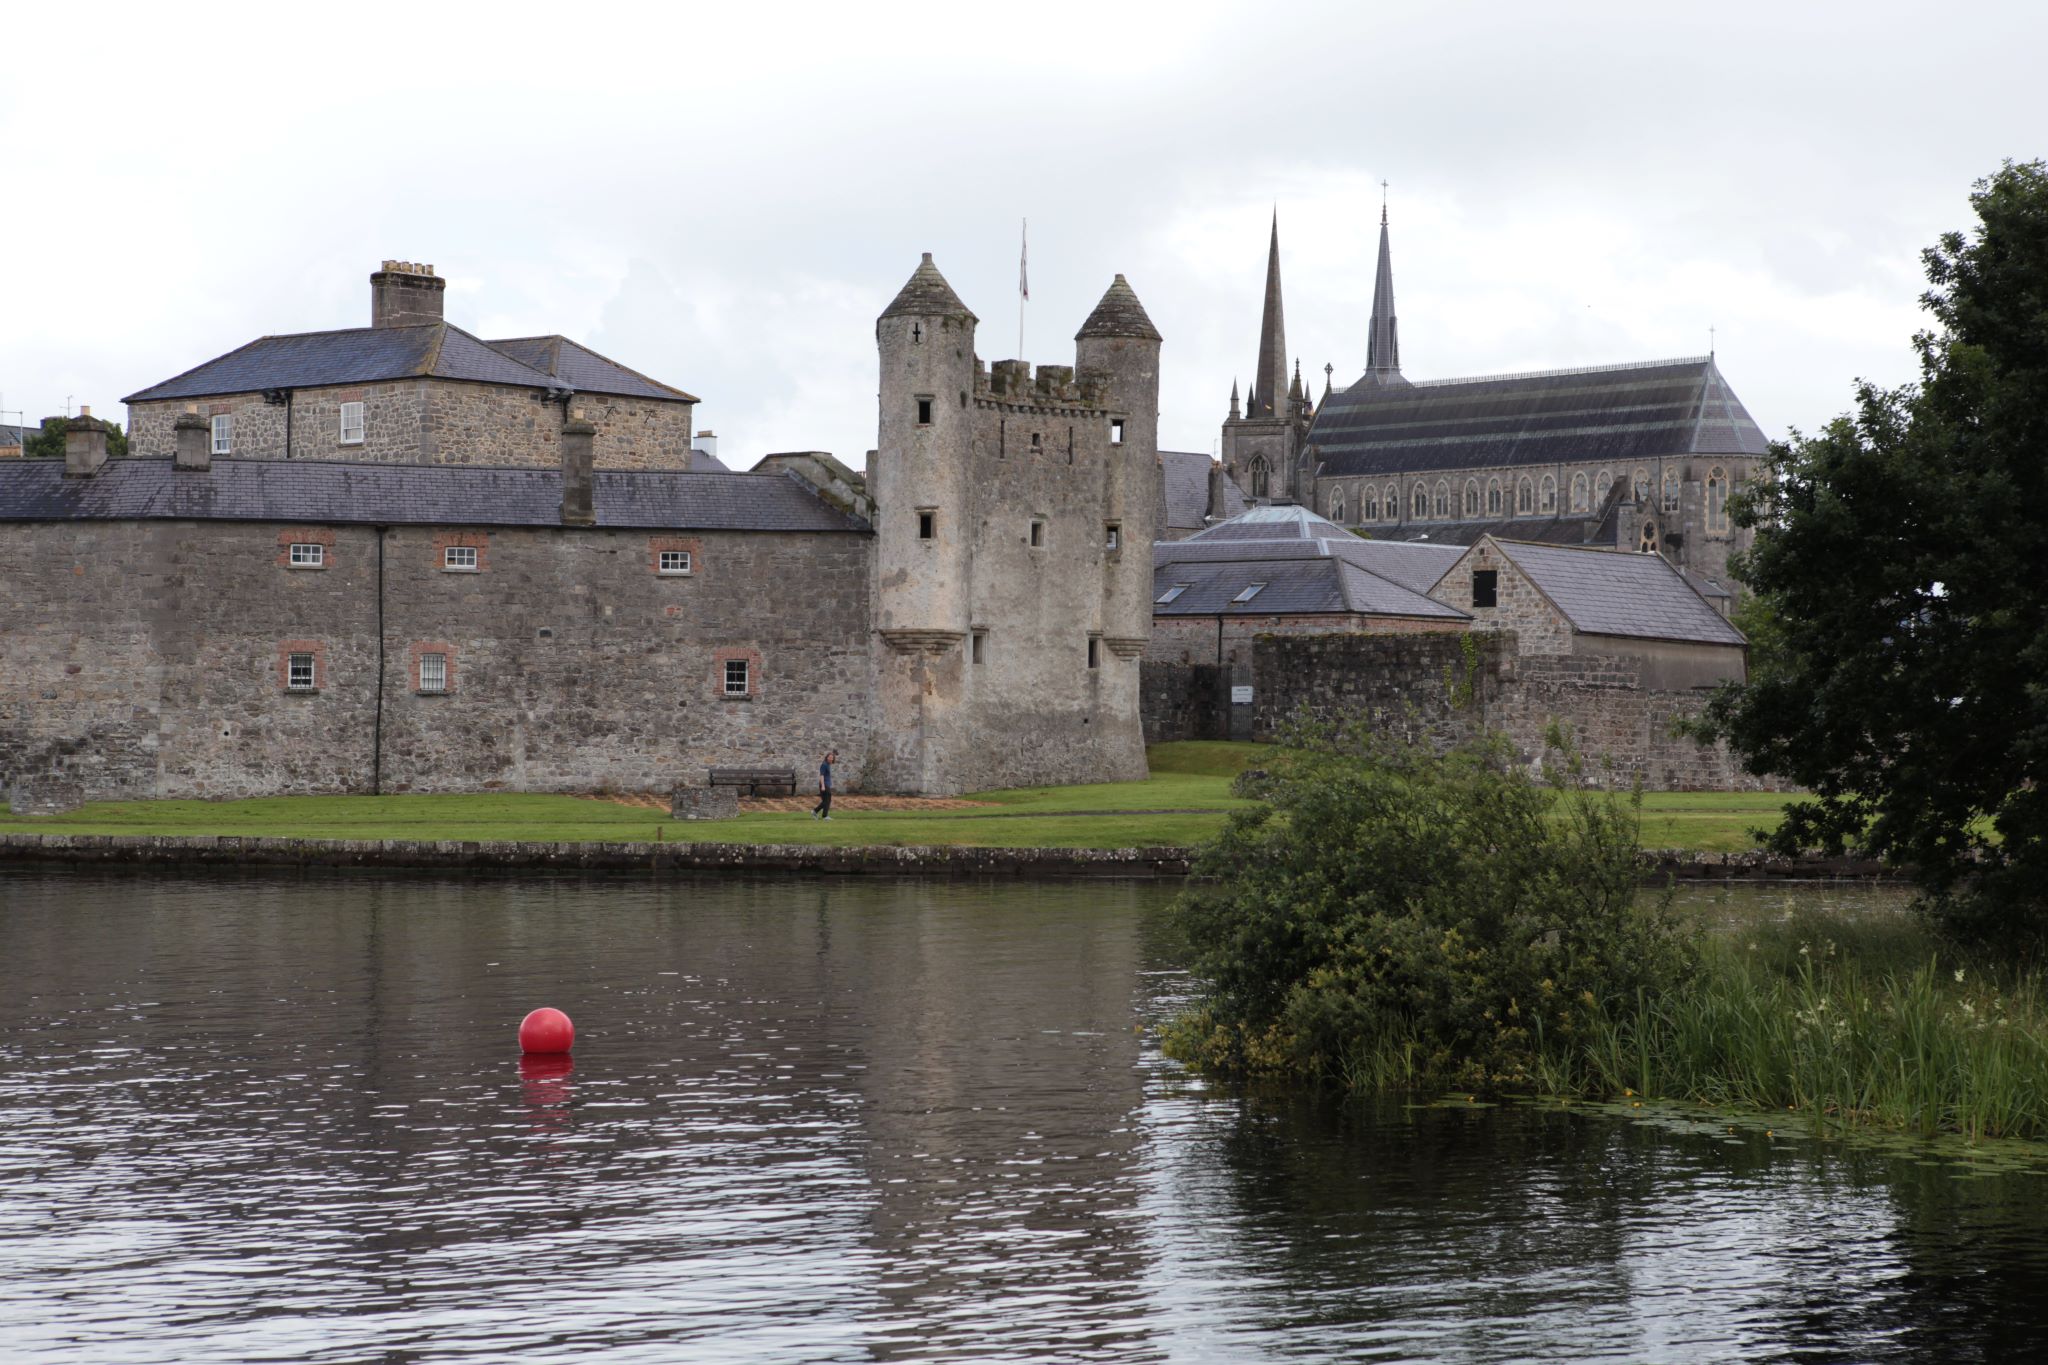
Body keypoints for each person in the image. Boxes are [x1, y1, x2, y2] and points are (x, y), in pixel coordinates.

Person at [811, 749, 837, 820]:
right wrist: (822, 785)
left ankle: (817, 812)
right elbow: (821, 775)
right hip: (824, 785)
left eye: (832, 757)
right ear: (827, 757)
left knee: (826, 801)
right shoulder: (824, 764)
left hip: (826, 784)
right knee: (827, 800)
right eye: (830, 757)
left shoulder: (828, 764)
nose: (831, 758)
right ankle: (823, 815)